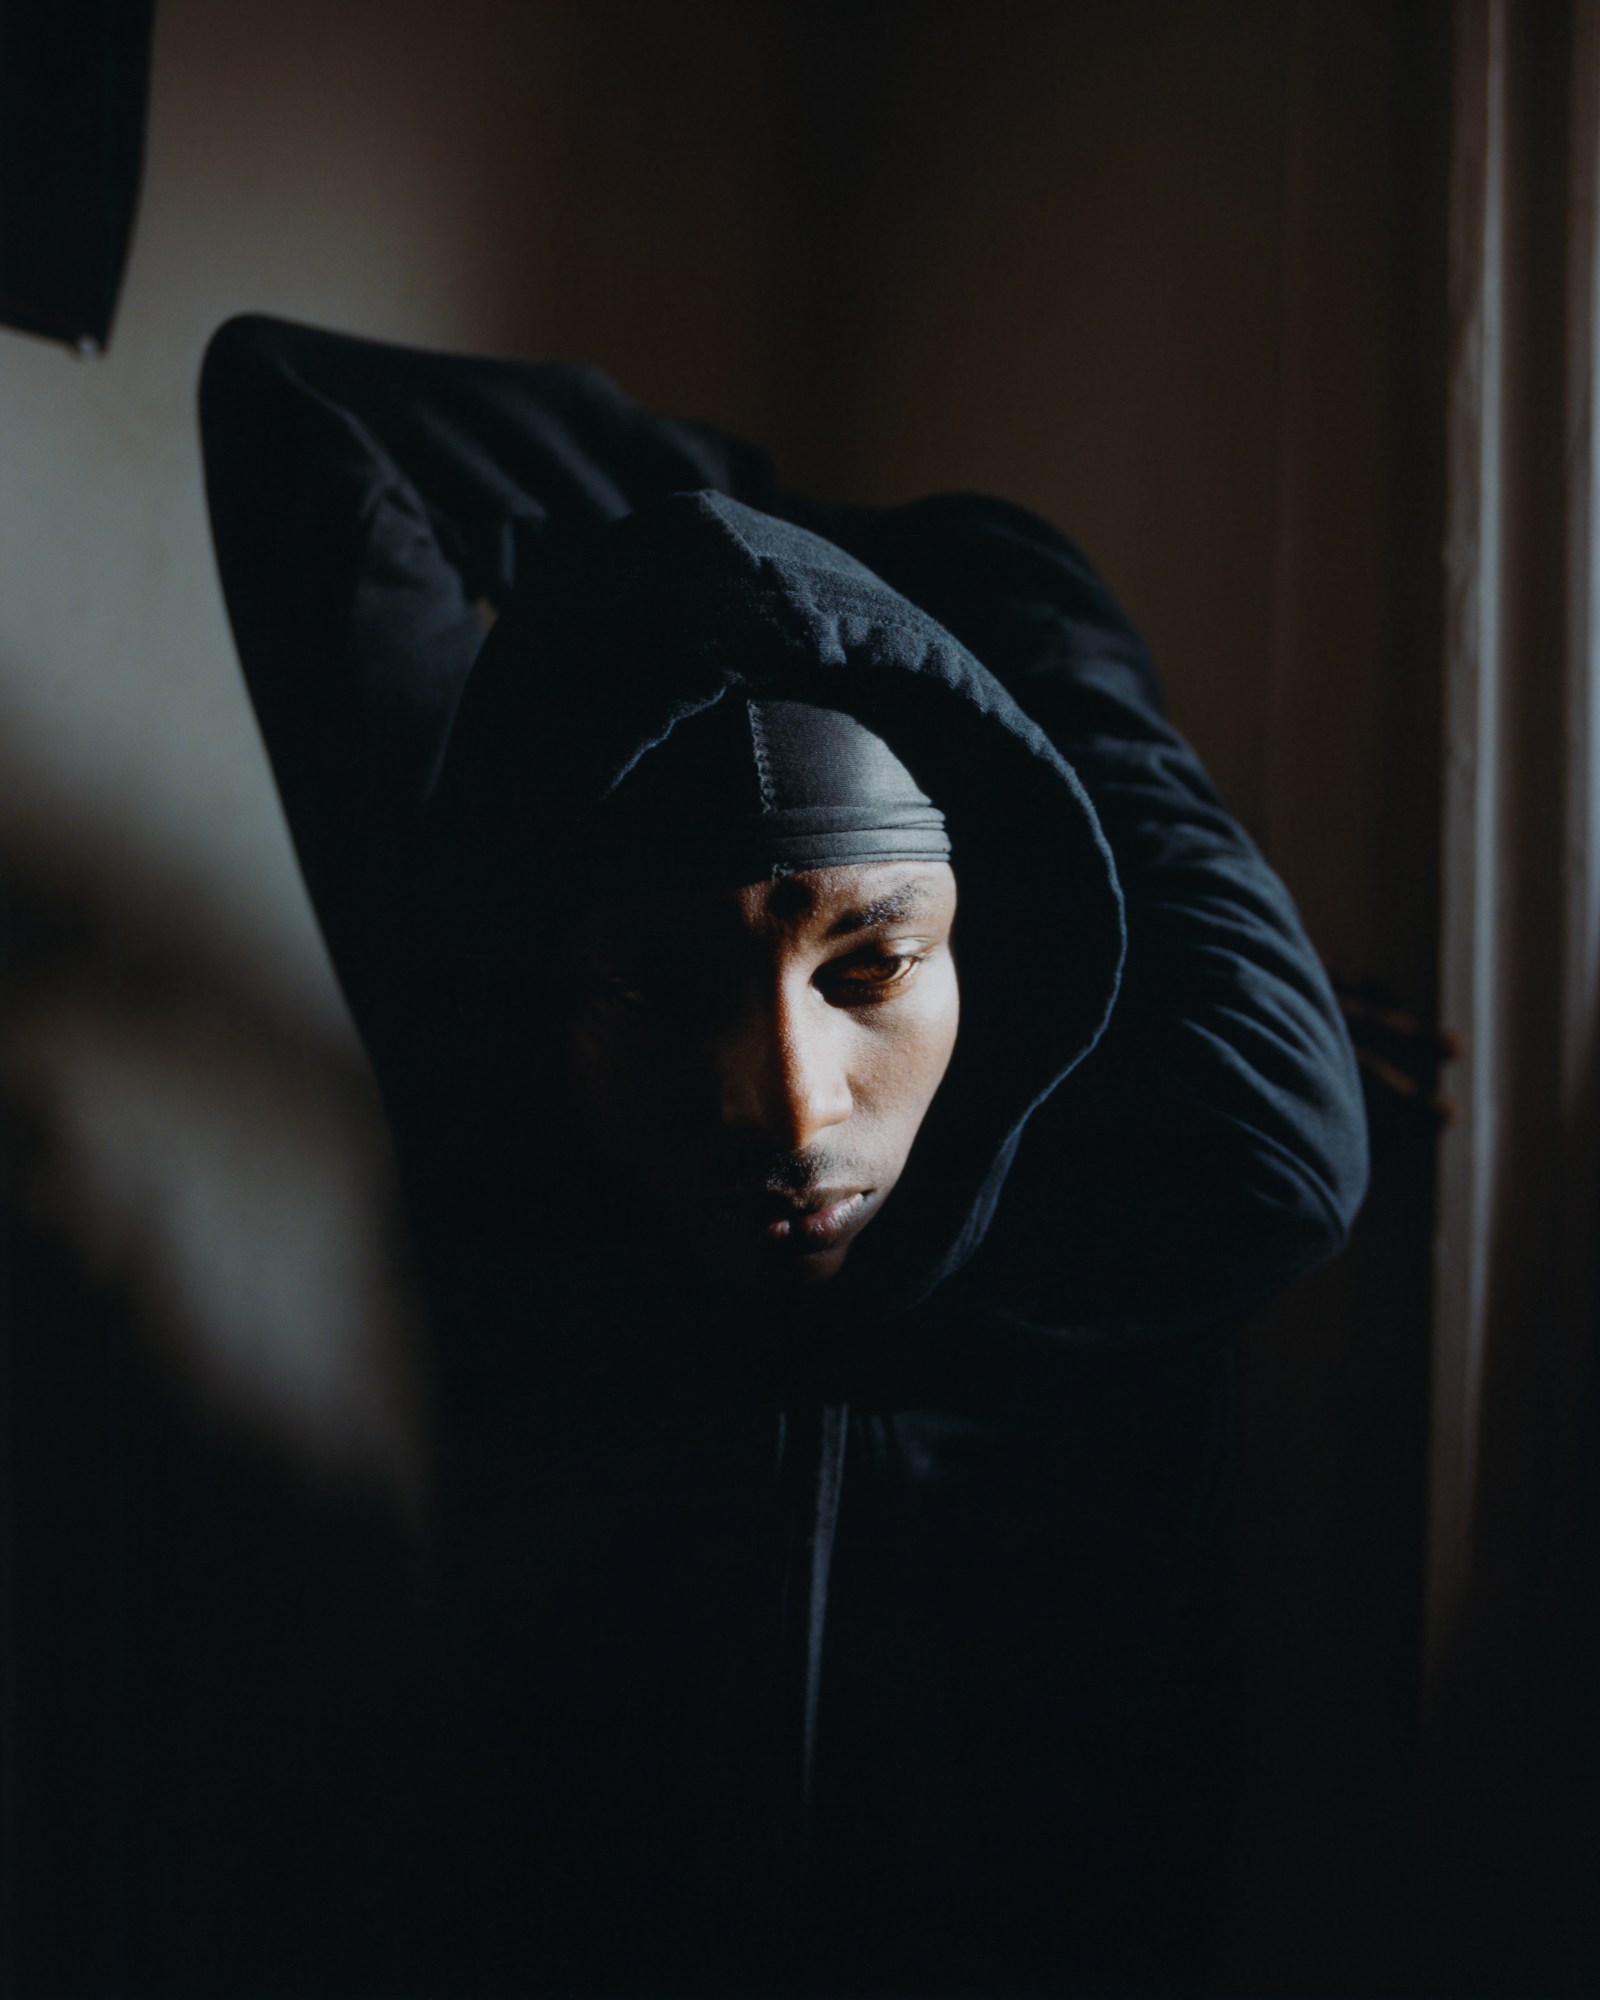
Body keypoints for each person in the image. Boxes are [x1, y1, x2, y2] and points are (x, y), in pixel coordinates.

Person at [190, 314, 1367, 1998]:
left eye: (873, 969)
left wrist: (879, 587)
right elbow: (293, 405)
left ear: (994, 943)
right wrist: (730, 560)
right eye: (667, 992)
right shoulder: (505, 1075)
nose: (790, 1111)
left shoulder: (1197, 1159)